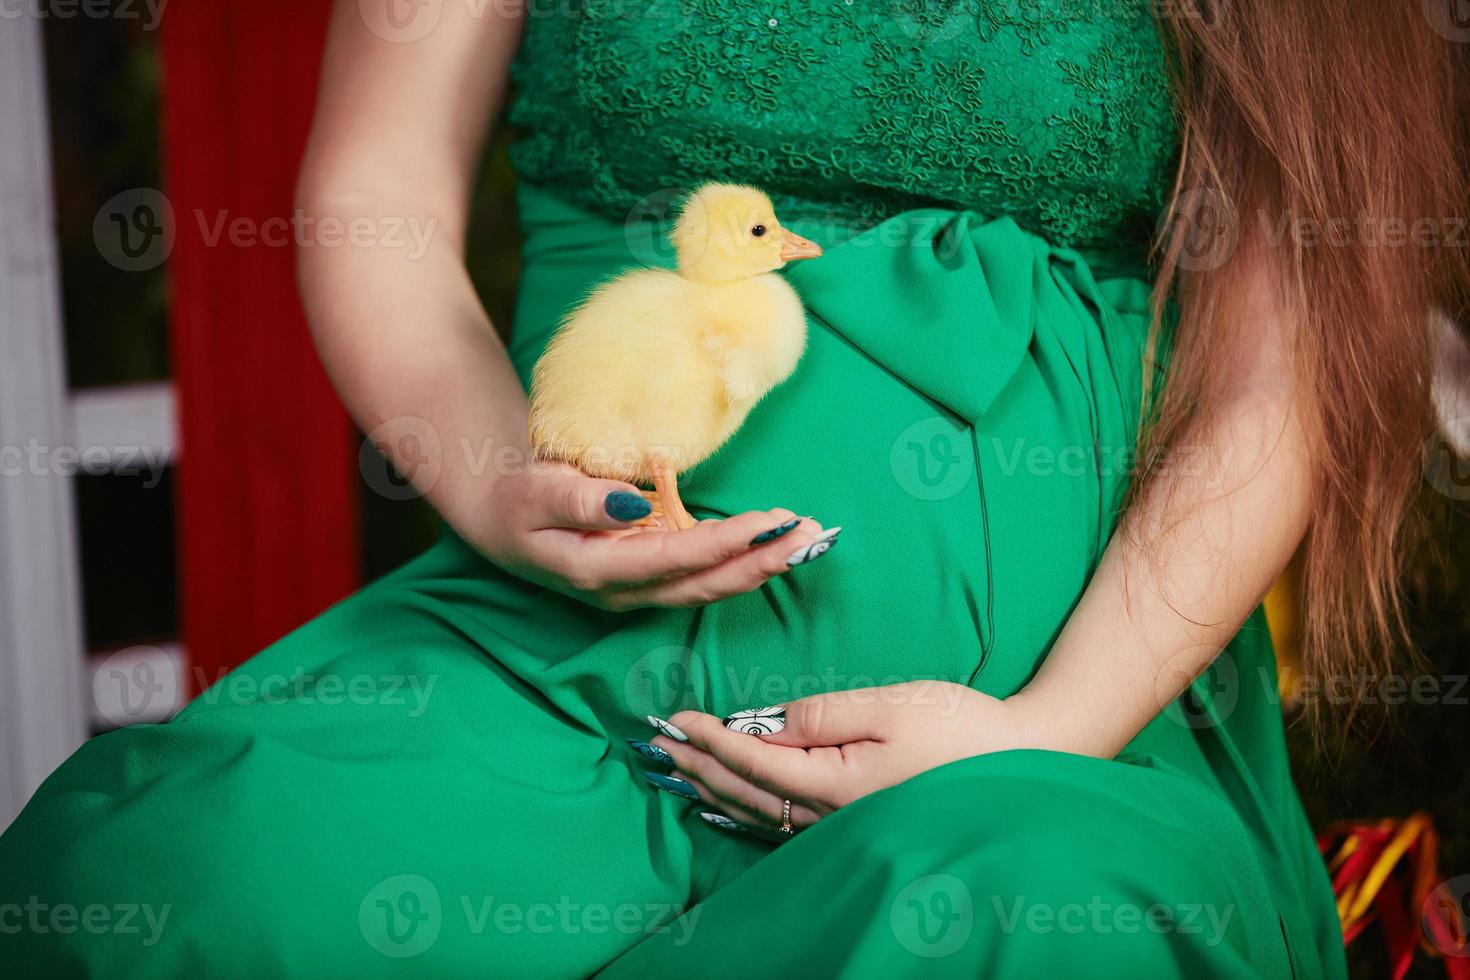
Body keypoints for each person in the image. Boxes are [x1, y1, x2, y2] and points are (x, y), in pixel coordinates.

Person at [4, 2, 1464, 976]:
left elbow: (1292, 373)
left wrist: (1044, 732)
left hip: (1061, 716)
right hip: (567, 669)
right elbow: (379, 180)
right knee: (170, 884)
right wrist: (499, 478)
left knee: (1032, 910)